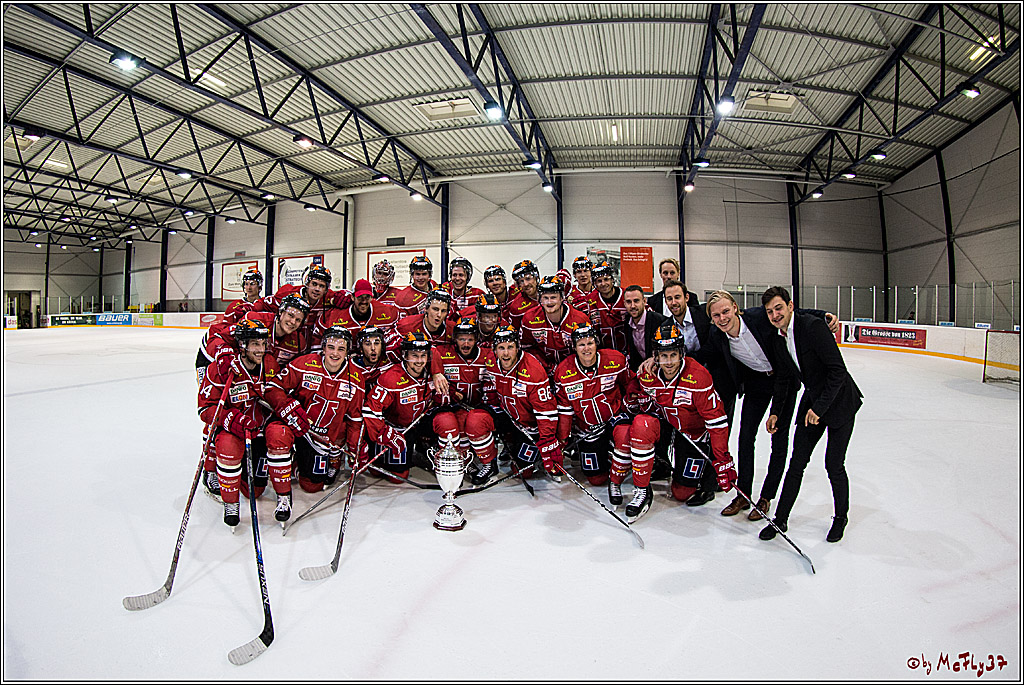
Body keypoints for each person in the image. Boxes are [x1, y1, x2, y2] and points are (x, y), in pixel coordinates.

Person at [704, 290, 838, 520]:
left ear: (736, 307)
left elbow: (790, 314)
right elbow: (705, 358)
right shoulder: (716, 336)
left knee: (779, 440)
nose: (722, 318)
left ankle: (766, 496)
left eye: (725, 311)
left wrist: (823, 315)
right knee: (745, 438)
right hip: (756, 383)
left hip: (783, 382)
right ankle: (743, 494)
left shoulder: (758, 317)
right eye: (716, 315)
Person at [759, 286, 862, 543]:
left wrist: (820, 409)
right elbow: (783, 379)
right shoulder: (777, 338)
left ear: (791, 306)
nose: (774, 315)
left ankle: (840, 518)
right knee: (796, 463)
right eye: (770, 311)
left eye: (778, 308)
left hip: (840, 402)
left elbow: (838, 371)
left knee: (833, 465)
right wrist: (775, 413)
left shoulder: (812, 327)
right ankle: (780, 518)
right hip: (813, 399)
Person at [628, 323, 737, 521]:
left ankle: (707, 476)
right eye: (663, 356)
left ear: (681, 353)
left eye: (673, 355)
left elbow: (717, 422)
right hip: (669, 425)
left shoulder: (698, 377)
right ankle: (643, 487)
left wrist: (722, 459)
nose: (669, 362)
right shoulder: (647, 373)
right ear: (656, 356)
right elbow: (634, 389)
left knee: (682, 493)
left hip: (694, 433)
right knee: (642, 424)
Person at [198, 318, 294, 529]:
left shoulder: (269, 363)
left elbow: (274, 391)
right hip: (236, 430)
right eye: (255, 344)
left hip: (259, 428)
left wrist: (286, 406)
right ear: (242, 345)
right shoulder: (221, 368)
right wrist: (232, 419)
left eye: (263, 344)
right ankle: (230, 503)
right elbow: (205, 408)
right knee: (227, 444)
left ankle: (284, 497)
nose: (261, 349)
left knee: (279, 438)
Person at [265, 326, 365, 498]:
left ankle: (298, 462)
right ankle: (284, 458)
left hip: (320, 437)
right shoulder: (304, 363)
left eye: (341, 349)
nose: (335, 353)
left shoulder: (356, 379)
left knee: (313, 485)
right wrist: (287, 407)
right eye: (331, 347)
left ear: (348, 352)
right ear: (324, 347)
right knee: (278, 434)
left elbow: (354, 418)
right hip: (295, 424)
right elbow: (273, 388)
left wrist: (356, 448)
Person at [552, 324, 633, 489]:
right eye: (581, 344)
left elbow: (630, 386)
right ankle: (605, 454)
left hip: (614, 419)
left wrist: (628, 407)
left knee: (624, 434)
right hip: (587, 429)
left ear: (597, 343)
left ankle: (618, 459)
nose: (586, 348)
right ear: (574, 347)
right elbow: (566, 411)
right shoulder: (563, 372)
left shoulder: (615, 360)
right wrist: (562, 441)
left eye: (590, 343)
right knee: (596, 479)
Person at [431, 317, 502, 485]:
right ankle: (457, 462)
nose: (466, 343)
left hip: (480, 409)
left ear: (476, 339)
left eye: (470, 339)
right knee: (448, 423)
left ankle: (489, 463)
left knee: (474, 422)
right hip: (453, 408)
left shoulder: (487, 355)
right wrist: (436, 372)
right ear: (455, 338)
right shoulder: (443, 353)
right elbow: (430, 350)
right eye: (462, 338)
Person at [483, 325, 561, 478]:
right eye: (501, 348)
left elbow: (546, 410)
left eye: (510, 347)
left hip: (531, 427)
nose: (506, 353)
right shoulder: (491, 362)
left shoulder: (533, 370)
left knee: (523, 472)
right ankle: (509, 444)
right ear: (495, 349)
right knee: (478, 420)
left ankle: (534, 451)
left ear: (518, 347)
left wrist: (547, 441)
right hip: (510, 418)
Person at [362, 332, 440, 482]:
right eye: (414, 355)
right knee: (384, 473)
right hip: (394, 427)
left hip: (413, 426)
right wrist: (384, 433)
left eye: (423, 356)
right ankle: (377, 453)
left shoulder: (432, 374)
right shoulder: (392, 377)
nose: (419, 361)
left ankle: (423, 449)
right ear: (404, 355)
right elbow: (370, 410)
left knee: (399, 477)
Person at [253, 263, 348, 354]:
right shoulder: (289, 293)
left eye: (321, 286)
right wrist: (245, 309)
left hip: (312, 346)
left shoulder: (329, 298)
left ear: (326, 289)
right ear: (307, 283)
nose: (317, 289)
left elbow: (349, 297)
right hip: (289, 343)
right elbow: (261, 304)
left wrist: (345, 296)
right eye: (314, 284)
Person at [195, 269, 264, 386]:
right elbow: (226, 332)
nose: (249, 287)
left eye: (252, 283)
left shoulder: (265, 305)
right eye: (246, 284)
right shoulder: (234, 306)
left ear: (259, 285)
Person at [520, 275, 592, 371]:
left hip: (575, 370)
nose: (549, 302)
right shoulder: (529, 318)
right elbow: (526, 349)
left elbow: (588, 350)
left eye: (553, 297)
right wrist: (546, 366)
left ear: (562, 298)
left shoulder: (580, 319)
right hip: (544, 370)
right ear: (540, 299)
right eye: (545, 298)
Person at [313, 278, 400, 349]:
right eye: (360, 297)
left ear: (372, 298)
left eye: (367, 297)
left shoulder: (387, 312)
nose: (364, 301)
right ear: (352, 297)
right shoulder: (334, 315)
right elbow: (317, 339)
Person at [581, 260, 629, 354]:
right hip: (603, 353)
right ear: (594, 283)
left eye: (606, 279)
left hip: (629, 352)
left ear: (612, 280)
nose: (603, 284)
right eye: (599, 281)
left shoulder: (627, 295)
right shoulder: (589, 301)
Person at [660, 279, 711, 365]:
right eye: (669, 299)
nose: (673, 302)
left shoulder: (704, 314)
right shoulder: (665, 327)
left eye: (677, 297)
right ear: (665, 302)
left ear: (686, 297)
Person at [387, 288, 453, 353]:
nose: (439, 314)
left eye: (443, 311)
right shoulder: (406, 326)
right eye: (435, 309)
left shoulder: (452, 330)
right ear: (426, 308)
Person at [623, 284, 667, 371]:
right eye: (628, 302)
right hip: (641, 372)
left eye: (636, 301)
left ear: (644, 301)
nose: (632, 306)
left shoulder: (660, 321)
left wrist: (656, 359)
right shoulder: (626, 323)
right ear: (624, 304)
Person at [506, 260, 542, 329]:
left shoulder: (550, 294)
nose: (525, 284)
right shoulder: (516, 307)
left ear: (536, 277)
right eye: (521, 281)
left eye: (528, 279)